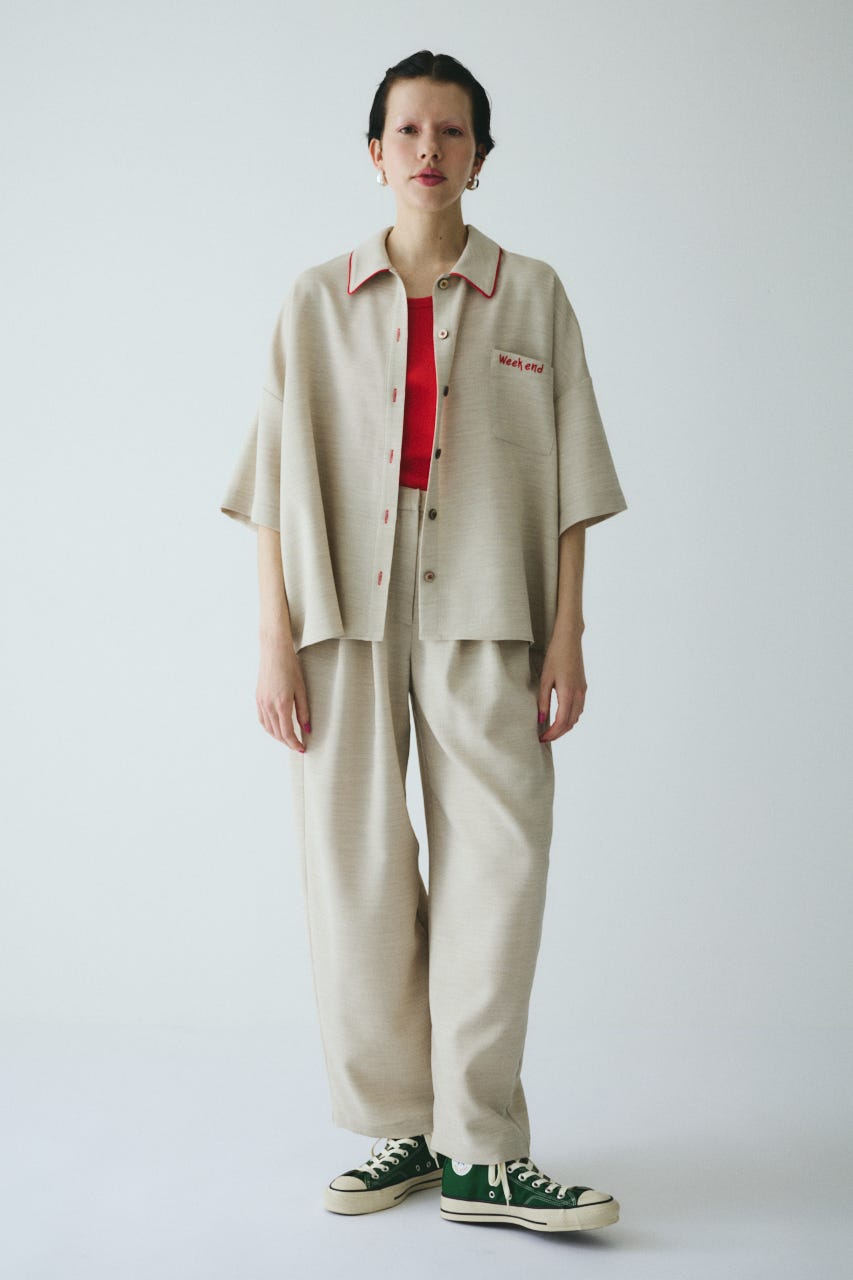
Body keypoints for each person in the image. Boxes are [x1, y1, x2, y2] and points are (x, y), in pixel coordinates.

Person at [220, 49, 628, 1235]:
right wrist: (273, 639)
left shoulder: (532, 295)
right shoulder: (313, 301)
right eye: (408, 130)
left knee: (498, 867)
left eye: (452, 132)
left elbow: (573, 486)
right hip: (340, 616)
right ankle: (403, 1122)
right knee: (356, 872)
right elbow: (269, 486)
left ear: (480, 160)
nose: (429, 150)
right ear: (375, 152)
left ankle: (481, 1147)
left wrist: (568, 633)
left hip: (488, 611)